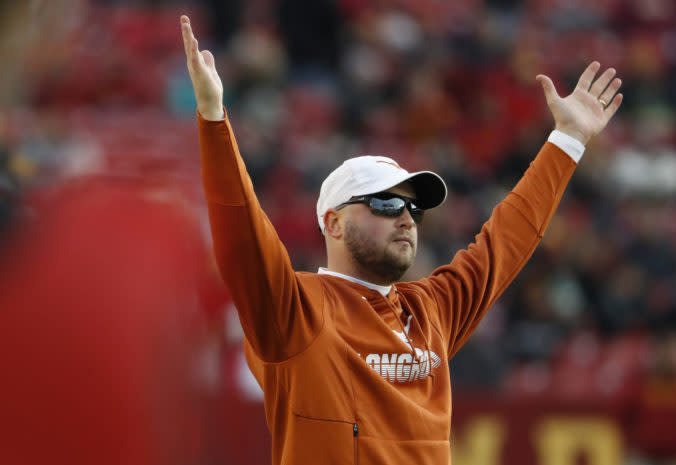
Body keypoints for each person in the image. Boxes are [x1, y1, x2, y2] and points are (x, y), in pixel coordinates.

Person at [180, 13, 622, 465]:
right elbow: (241, 234)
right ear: (332, 223)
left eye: (414, 208)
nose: (407, 219)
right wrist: (214, 120)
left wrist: (568, 140)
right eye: (386, 205)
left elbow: (508, 239)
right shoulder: (294, 312)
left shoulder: (430, 310)